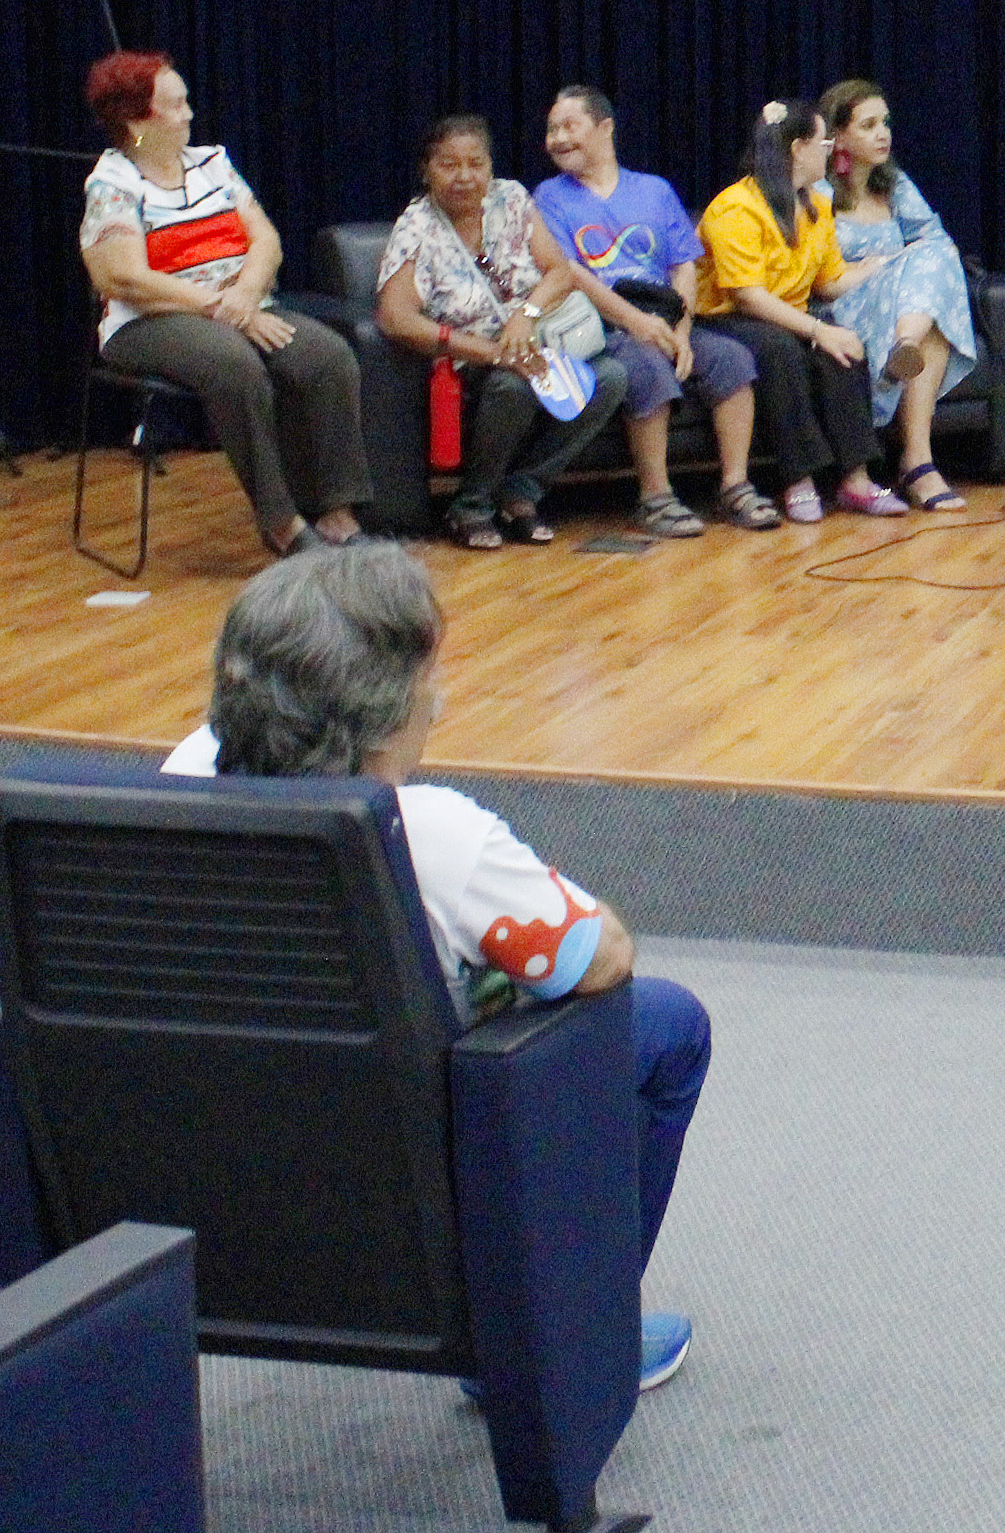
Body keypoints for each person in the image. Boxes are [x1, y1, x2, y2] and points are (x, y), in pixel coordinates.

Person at [163, 548, 702, 1394]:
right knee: (669, 1023)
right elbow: (602, 960)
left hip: (200, 1144)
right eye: (428, 675)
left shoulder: (183, 770)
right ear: (389, 706)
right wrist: (490, 983)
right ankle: (570, 1339)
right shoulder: (434, 835)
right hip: (395, 1161)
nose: (439, 694)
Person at [76, 52, 372, 558]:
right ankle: (281, 523)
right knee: (234, 366)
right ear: (136, 121)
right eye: (175, 105)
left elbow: (266, 241)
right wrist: (223, 308)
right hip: (150, 321)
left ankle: (336, 511)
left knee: (326, 356)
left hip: (239, 307)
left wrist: (243, 296)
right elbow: (121, 276)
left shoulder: (212, 163)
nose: (190, 114)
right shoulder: (114, 182)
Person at [533, 85, 779, 539]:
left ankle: (735, 485)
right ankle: (655, 495)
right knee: (643, 366)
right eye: (551, 129)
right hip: (600, 326)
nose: (557, 138)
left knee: (731, 359)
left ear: (605, 128)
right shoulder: (548, 197)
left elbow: (684, 266)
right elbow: (570, 272)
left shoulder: (654, 190)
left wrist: (681, 330)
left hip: (663, 319)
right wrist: (634, 322)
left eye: (569, 126)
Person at [372, 113, 622, 549]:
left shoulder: (511, 199)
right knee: (513, 387)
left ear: (490, 166)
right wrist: (488, 351)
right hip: (470, 356)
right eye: (449, 165)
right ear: (426, 170)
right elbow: (395, 317)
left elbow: (560, 272)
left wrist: (525, 314)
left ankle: (522, 491)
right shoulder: (417, 227)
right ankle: (472, 504)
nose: (465, 176)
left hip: (536, 339)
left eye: (476, 164)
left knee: (610, 378)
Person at [694, 99, 902, 523]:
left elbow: (827, 282)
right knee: (780, 350)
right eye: (824, 142)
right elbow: (747, 296)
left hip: (786, 315)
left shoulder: (816, 207)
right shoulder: (734, 207)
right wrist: (815, 330)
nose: (829, 151)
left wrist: (880, 266)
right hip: (725, 318)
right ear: (797, 149)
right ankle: (798, 479)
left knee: (843, 346)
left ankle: (856, 479)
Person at [818, 79, 980, 511]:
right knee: (926, 277)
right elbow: (809, 274)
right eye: (868, 125)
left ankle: (917, 453)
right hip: (843, 305)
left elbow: (935, 241)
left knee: (935, 257)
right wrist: (869, 269)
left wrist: (899, 267)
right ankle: (915, 464)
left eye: (885, 123)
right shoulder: (816, 191)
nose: (882, 133)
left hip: (901, 309)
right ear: (838, 137)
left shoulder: (895, 185)